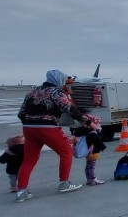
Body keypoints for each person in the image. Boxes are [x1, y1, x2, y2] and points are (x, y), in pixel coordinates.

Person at [14, 69, 85, 202]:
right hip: (48, 128)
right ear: (58, 80)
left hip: (28, 128)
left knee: (29, 159)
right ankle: (64, 183)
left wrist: (30, 122)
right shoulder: (56, 92)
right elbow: (69, 108)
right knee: (66, 152)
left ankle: (22, 191)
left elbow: (21, 113)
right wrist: (85, 121)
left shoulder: (32, 91)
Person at [74, 113, 108, 185]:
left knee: (88, 166)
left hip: (88, 152)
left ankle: (89, 179)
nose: (99, 125)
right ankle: (92, 179)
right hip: (93, 152)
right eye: (97, 123)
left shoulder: (84, 130)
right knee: (91, 167)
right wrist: (102, 147)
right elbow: (97, 140)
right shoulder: (92, 132)